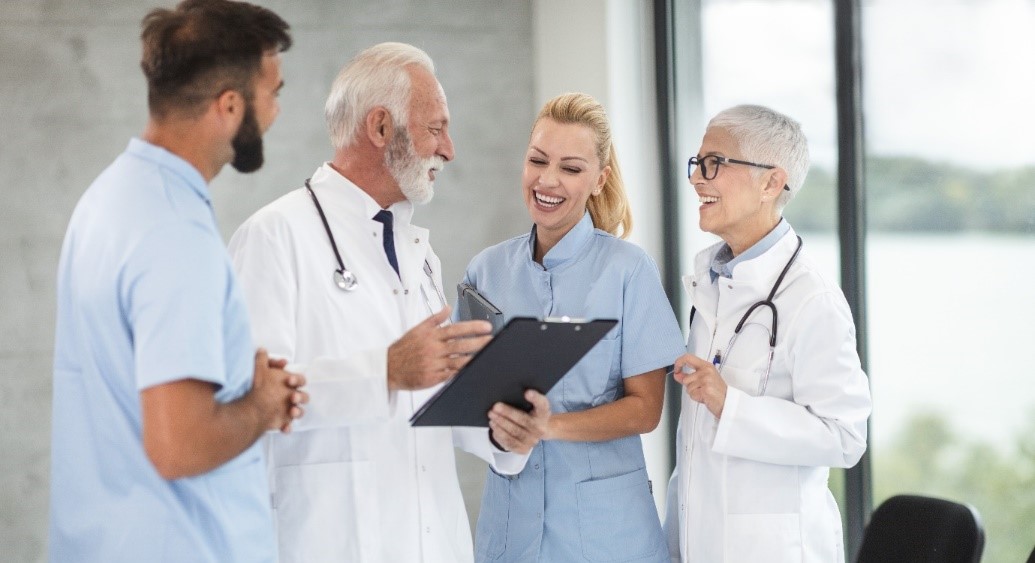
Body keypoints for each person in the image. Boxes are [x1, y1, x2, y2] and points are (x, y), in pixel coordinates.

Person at [227, 42, 551, 563]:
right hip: (326, 543)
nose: (449, 149)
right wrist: (384, 372)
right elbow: (246, 405)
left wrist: (503, 429)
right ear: (380, 128)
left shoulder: (419, 254)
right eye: (435, 128)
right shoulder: (273, 238)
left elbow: (428, 400)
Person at [49, 1, 306, 562]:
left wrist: (243, 383)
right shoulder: (173, 232)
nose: (277, 111)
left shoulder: (108, 199)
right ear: (230, 106)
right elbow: (178, 445)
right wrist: (261, 405)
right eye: (274, 93)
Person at [461, 92, 685, 562]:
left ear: (599, 180)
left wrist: (549, 426)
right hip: (510, 531)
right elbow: (468, 395)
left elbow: (645, 410)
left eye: (571, 168)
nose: (548, 180)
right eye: (538, 160)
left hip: (606, 533)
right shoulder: (486, 271)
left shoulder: (629, 270)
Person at [662, 104, 872, 562]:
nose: (698, 178)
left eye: (715, 163)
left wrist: (729, 404)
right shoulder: (712, 284)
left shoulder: (811, 300)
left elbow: (845, 436)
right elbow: (695, 450)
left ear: (771, 182)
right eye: (697, 163)